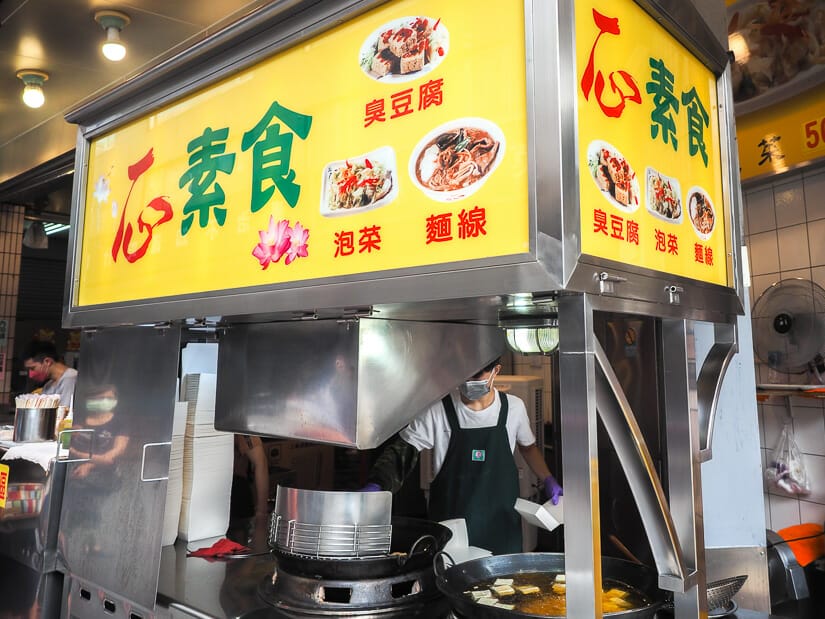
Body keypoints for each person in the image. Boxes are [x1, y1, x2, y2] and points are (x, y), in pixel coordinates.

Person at [364, 356, 562, 555]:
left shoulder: (514, 408)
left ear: (496, 370)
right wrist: (379, 483)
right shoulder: (438, 410)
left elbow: (528, 447)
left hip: (500, 529)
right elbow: (404, 451)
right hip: (452, 534)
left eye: (477, 375)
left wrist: (548, 478)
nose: (469, 382)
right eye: (464, 375)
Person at [22, 340, 78, 407]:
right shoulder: (48, 385)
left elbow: (65, 412)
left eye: (32, 368)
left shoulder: (70, 379)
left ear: (47, 361)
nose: (31, 375)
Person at [230, 435, 270, 521]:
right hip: (211, 488)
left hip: (235, 488)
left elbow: (260, 463)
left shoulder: (234, 424)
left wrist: (262, 513)